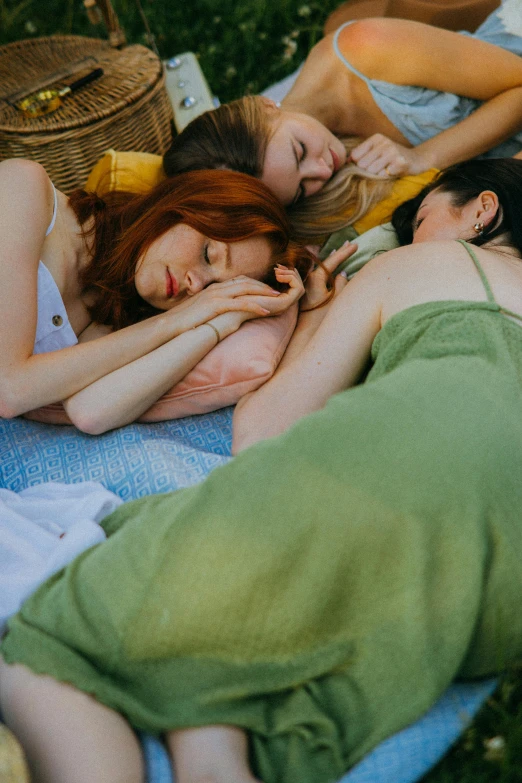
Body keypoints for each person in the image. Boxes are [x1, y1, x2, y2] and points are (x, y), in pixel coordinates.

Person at [1, 157, 522, 783]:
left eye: (423, 214)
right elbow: (27, 389)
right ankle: (214, 754)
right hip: (496, 591)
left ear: (482, 211)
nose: (409, 232)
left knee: (56, 632)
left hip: (405, 490)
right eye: (210, 254)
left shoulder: (412, 267)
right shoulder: (24, 189)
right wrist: (199, 315)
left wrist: (290, 318)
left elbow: (258, 434)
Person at [0, 160, 317, 434]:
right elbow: (10, 388)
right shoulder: (23, 188)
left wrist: (221, 321)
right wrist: (176, 319)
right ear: (181, 206)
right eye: (208, 254)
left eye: (214, 290)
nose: (195, 287)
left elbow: (90, 411)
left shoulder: (111, 318)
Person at [163, 2, 522, 235]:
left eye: (300, 151)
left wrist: (425, 155)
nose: (321, 171)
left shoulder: (364, 49)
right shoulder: (312, 165)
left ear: (264, 105)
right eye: (302, 189)